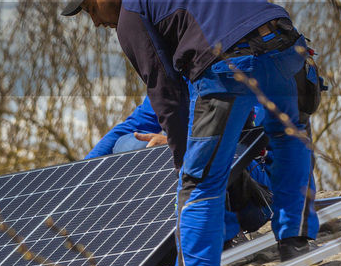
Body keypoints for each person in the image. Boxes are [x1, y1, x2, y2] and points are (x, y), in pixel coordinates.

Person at [62, 0, 317, 266]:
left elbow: (165, 95)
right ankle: (297, 243)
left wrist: (185, 160)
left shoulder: (131, 13)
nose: (94, 21)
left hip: (230, 65)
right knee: (289, 137)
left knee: (199, 186)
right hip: (285, 46)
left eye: (89, 8)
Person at [87, 96, 273, 243]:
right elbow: (132, 126)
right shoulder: (177, 78)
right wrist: (84, 171)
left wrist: (176, 144)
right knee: (127, 144)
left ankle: (225, 233)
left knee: (186, 150)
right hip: (197, 170)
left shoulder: (255, 77)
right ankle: (159, 234)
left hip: (255, 188)